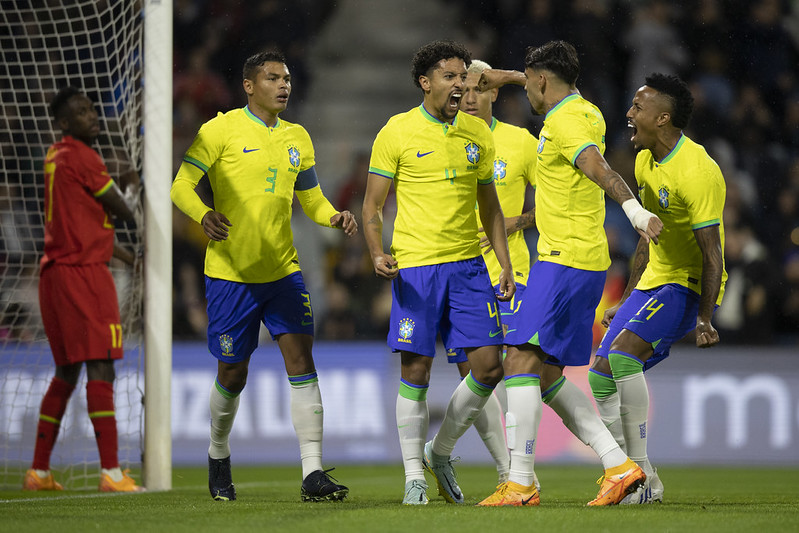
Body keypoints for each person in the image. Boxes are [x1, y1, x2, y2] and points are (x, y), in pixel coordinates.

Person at [475, 41, 662, 507]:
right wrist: (506, 75)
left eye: (529, 80)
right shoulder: (587, 110)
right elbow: (544, 86)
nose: (528, 91)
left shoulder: (563, 123)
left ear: (542, 80)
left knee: (518, 360)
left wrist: (634, 211)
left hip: (564, 260)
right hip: (583, 261)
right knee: (545, 375)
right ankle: (618, 466)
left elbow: (597, 168)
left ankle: (519, 483)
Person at [170, 50, 356, 503]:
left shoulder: (298, 138)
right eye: (273, 78)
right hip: (231, 275)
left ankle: (312, 472)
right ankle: (218, 452)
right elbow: (180, 185)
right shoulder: (219, 130)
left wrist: (333, 218)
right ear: (250, 86)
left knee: (302, 364)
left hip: (283, 273)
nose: (284, 85)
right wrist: (203, 213)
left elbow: (311, 200)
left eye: (287, 78)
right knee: (232, 373)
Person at [362, 40, 515, 505]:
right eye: (450, 76)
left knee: (489, 368)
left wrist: (504, 263)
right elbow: (372, 205)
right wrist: (375, 251)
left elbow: (490, 205)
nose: (460, 85)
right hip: (417, 270)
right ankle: (413, 475)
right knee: (417, 369)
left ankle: (439, 449)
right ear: (425, 83)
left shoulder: (477, 134)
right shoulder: (397, 131)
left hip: (469, 267)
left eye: (463, 76)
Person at [590, 73, 727, 504]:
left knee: (623, 356)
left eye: (637, 108)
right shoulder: (645, 161)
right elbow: (646, 238)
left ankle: (637, 479)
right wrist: (628, 298)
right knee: (599, 378)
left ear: (663, 117)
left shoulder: (700, 172)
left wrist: (704, 317)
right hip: (654, 280)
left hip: (687, 284)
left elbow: (712, 254)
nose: (629, 115)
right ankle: (641, 475)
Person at [25, 86, 142, 492]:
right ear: (63, 123)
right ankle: (111, 472)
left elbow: (89, 229)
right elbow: (124, 211)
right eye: (81, 111)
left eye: (92, 109)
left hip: (55, 274)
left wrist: (132, 261)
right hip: (84, 277)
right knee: (102, 366)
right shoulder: (84, 157)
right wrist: (131, 183)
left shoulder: (56, 157)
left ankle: (38, 471)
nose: (91, 115)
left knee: (66, 371)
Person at [440, 59, 538, 488]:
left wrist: (516, 222)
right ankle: (505, 470)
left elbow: (555, 201)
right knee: (477, 377)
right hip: (458, 276)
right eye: (464, 86)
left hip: (511, 277)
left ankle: (517, 474)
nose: (471, 95)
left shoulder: (522, 142)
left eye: (481, 86)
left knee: (516, 373)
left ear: (495, 92)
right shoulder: (441, 138)